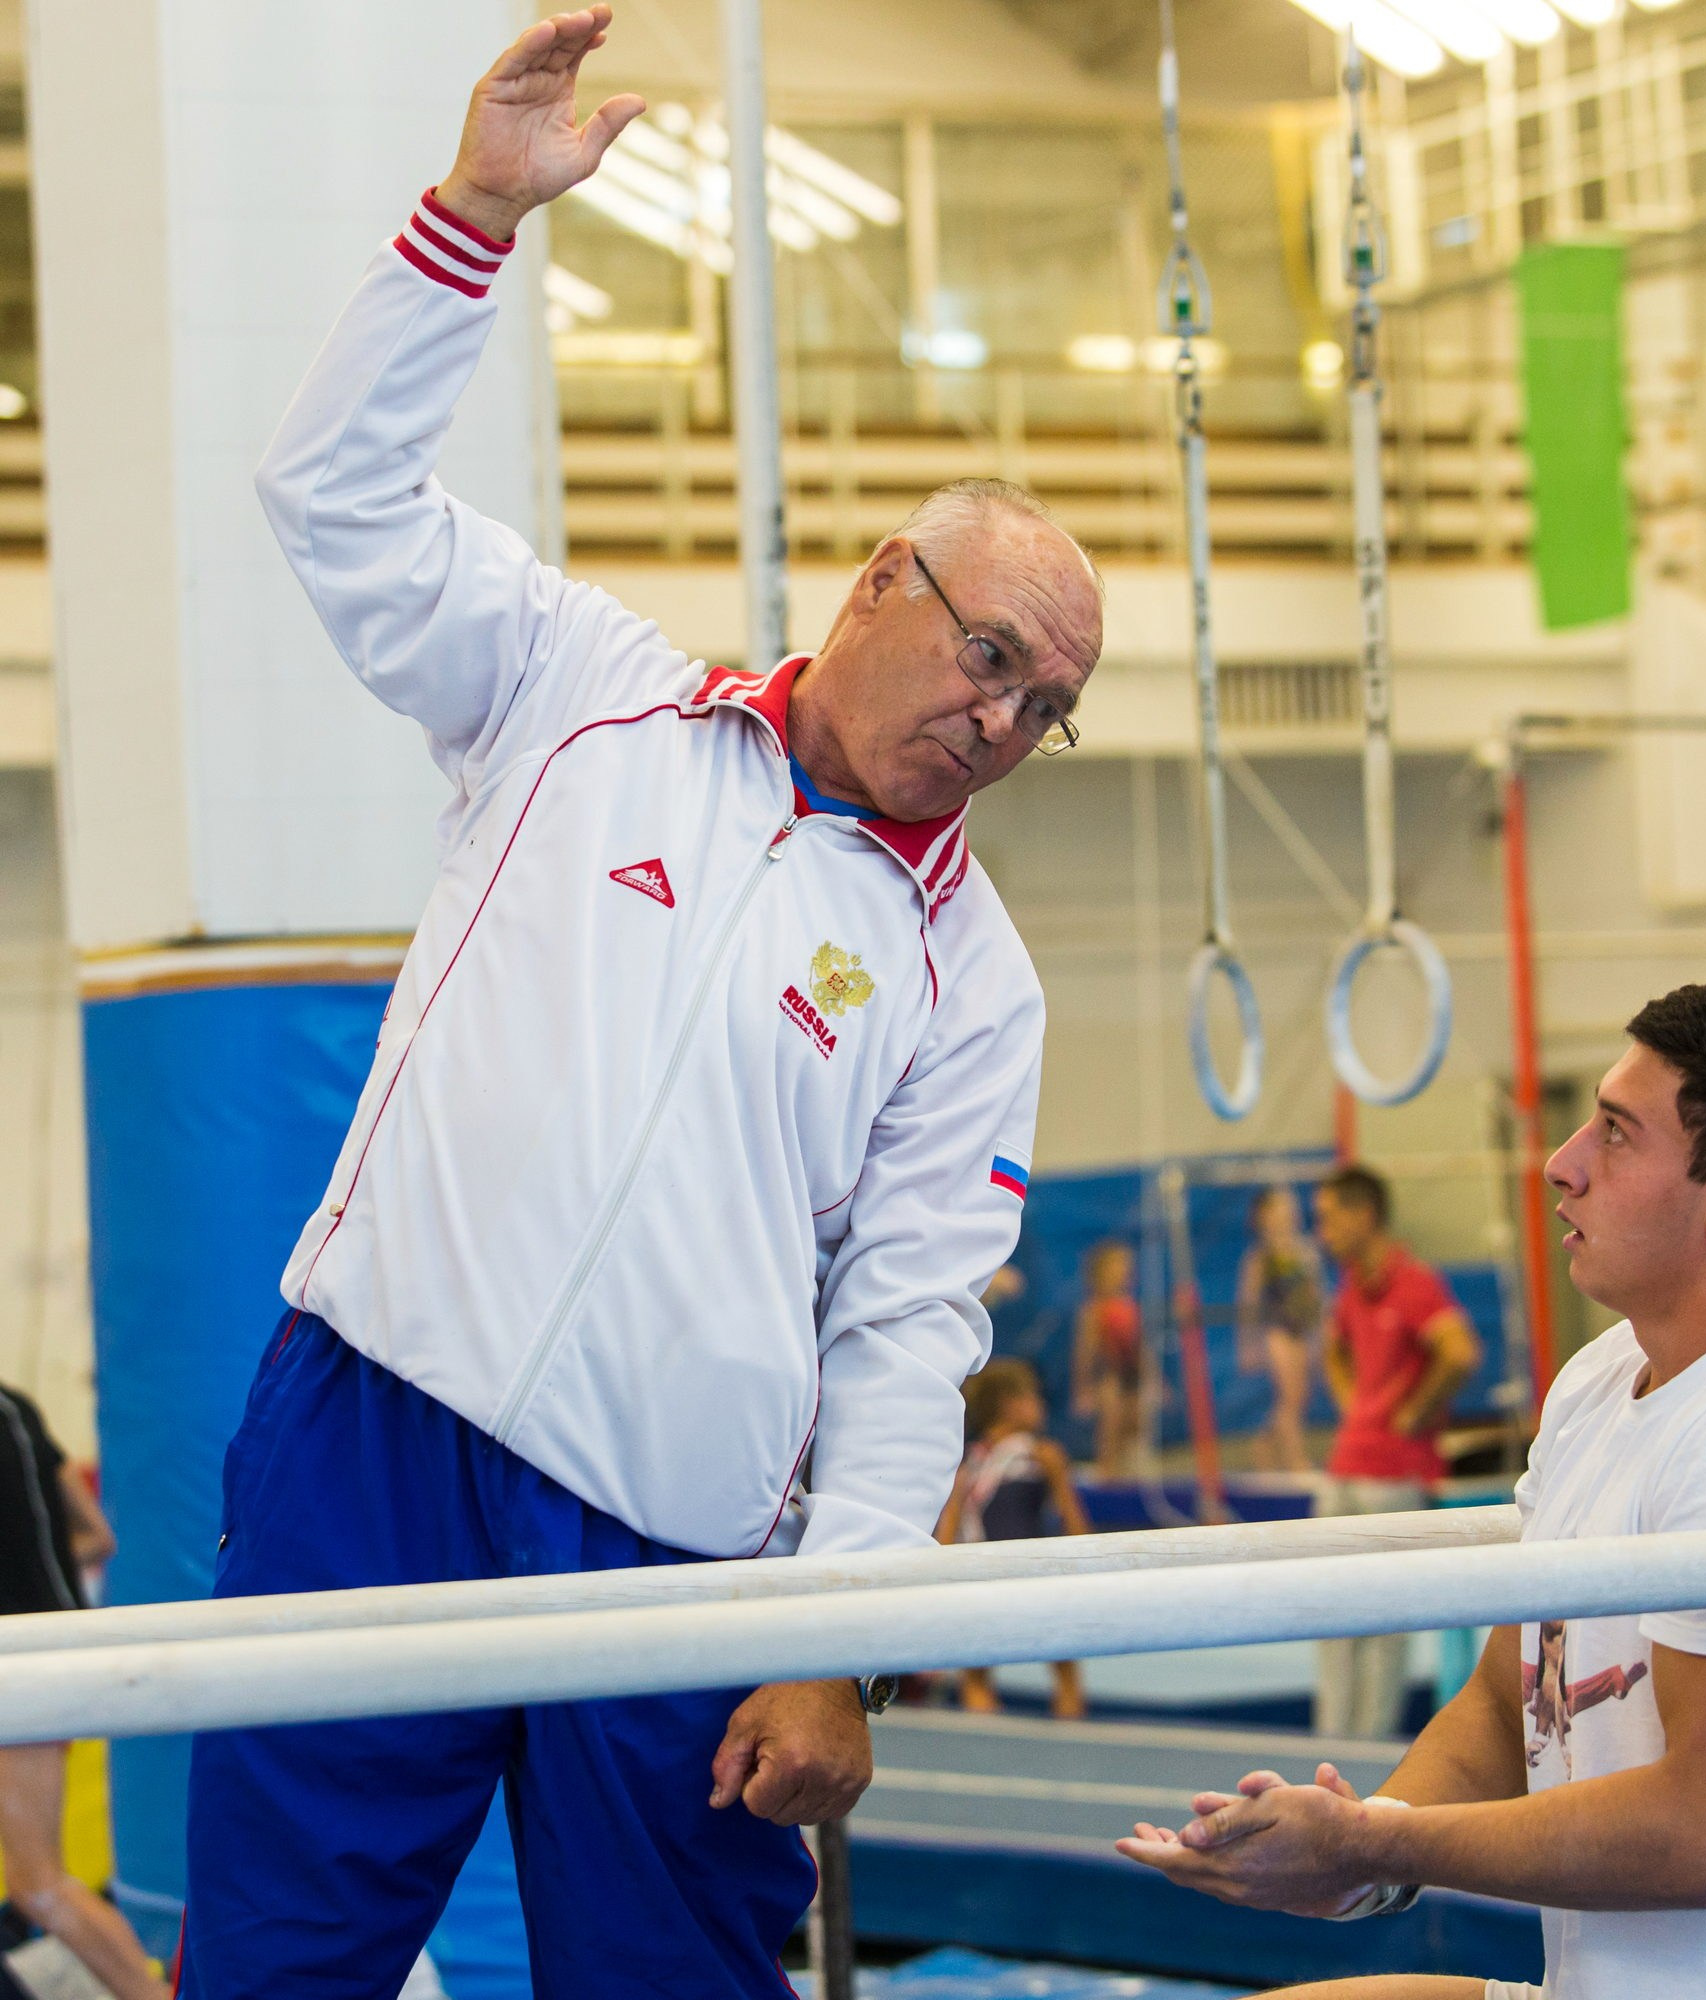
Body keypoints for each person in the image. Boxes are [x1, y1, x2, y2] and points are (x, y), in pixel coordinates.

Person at [180, 14, 1102, 1998]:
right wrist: (473, 217)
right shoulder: (578, 692)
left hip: (684, 1550)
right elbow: (330, 497)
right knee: (271, 1975)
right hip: (375, 1439)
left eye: (1047, 707)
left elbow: (908, 1325)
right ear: (882, 583)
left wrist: (836, 1639)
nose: (1005, 721)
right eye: (993, 658)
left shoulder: (973, 981)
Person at [1116, 983, 1706, 2000]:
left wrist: (1368, 1842)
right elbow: (1510, 1705)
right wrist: (1363, 1860)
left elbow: (1705, 1838)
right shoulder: (1599, 1379)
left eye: (1615, 1134)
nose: (1562, 1162)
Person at [0, 1385, 167, 2000]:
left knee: (38, 1883)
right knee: (37, 1882)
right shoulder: (17, 1407)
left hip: (25, 1667)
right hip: (49, 1648)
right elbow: (98, 1537)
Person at [1310, 1167, 1480, 1739]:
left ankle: (1368, 1751)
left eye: (1329, 1219)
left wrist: (1411, 1413)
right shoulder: (1351, 1284)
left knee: (1383, 1623)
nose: (1322, 1232)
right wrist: (1355, 1404)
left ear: (1364, 1215)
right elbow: (1333, 1348)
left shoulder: (1414, 1282)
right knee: (1330, 1616)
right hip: (1346, 1466)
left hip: (1392, 1474)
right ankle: (1330, 1743)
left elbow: (1459, 1352)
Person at [940, 1359, 1092, 1719]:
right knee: (1063, 1671)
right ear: (1011, 1404)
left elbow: (946, 1535)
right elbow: (1075, 1526)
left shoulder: (970, 1463)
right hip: (1030, 1578)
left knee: (978, 1674)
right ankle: (1069, 1735)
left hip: (985, 1578)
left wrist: (944, 1582)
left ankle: (984, 1736)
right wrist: (1086, 1563)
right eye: (1034, 1396)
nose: (1042, 1405)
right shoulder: (1040, 1456)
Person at [1235, 1186, 1325, 1474]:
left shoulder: (1306, 1250)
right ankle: (1295, 1460)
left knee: (1301, 1396)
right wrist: (1247, 1345)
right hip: (1277, 1333)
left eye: (1291, 1207)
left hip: (1302, 1330)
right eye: (1282, 1207)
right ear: (1265, 1217)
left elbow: (1315, 1295)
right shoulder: (1260, 1256)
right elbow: (1248, 1302)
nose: (1289, 1212)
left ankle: (1264, 1444)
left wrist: (1320, 1335)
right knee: (1290, 1395)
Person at [1072, 1240, 1143, 1475]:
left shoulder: (1131, 1306)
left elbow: (1141, 1347)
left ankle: (1127, 1472)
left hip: (1132, 1374)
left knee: (1135, 1424)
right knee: (1110, 1425)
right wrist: (1082, 1388)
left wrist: (1155, 1379)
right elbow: (1085, 1352)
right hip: (1107, 1374)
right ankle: (1107, 1472)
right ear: (1101, 1273)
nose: (1123, 1273)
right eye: (1117, 1268)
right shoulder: (1093, 1309)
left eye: (1126, 1268)